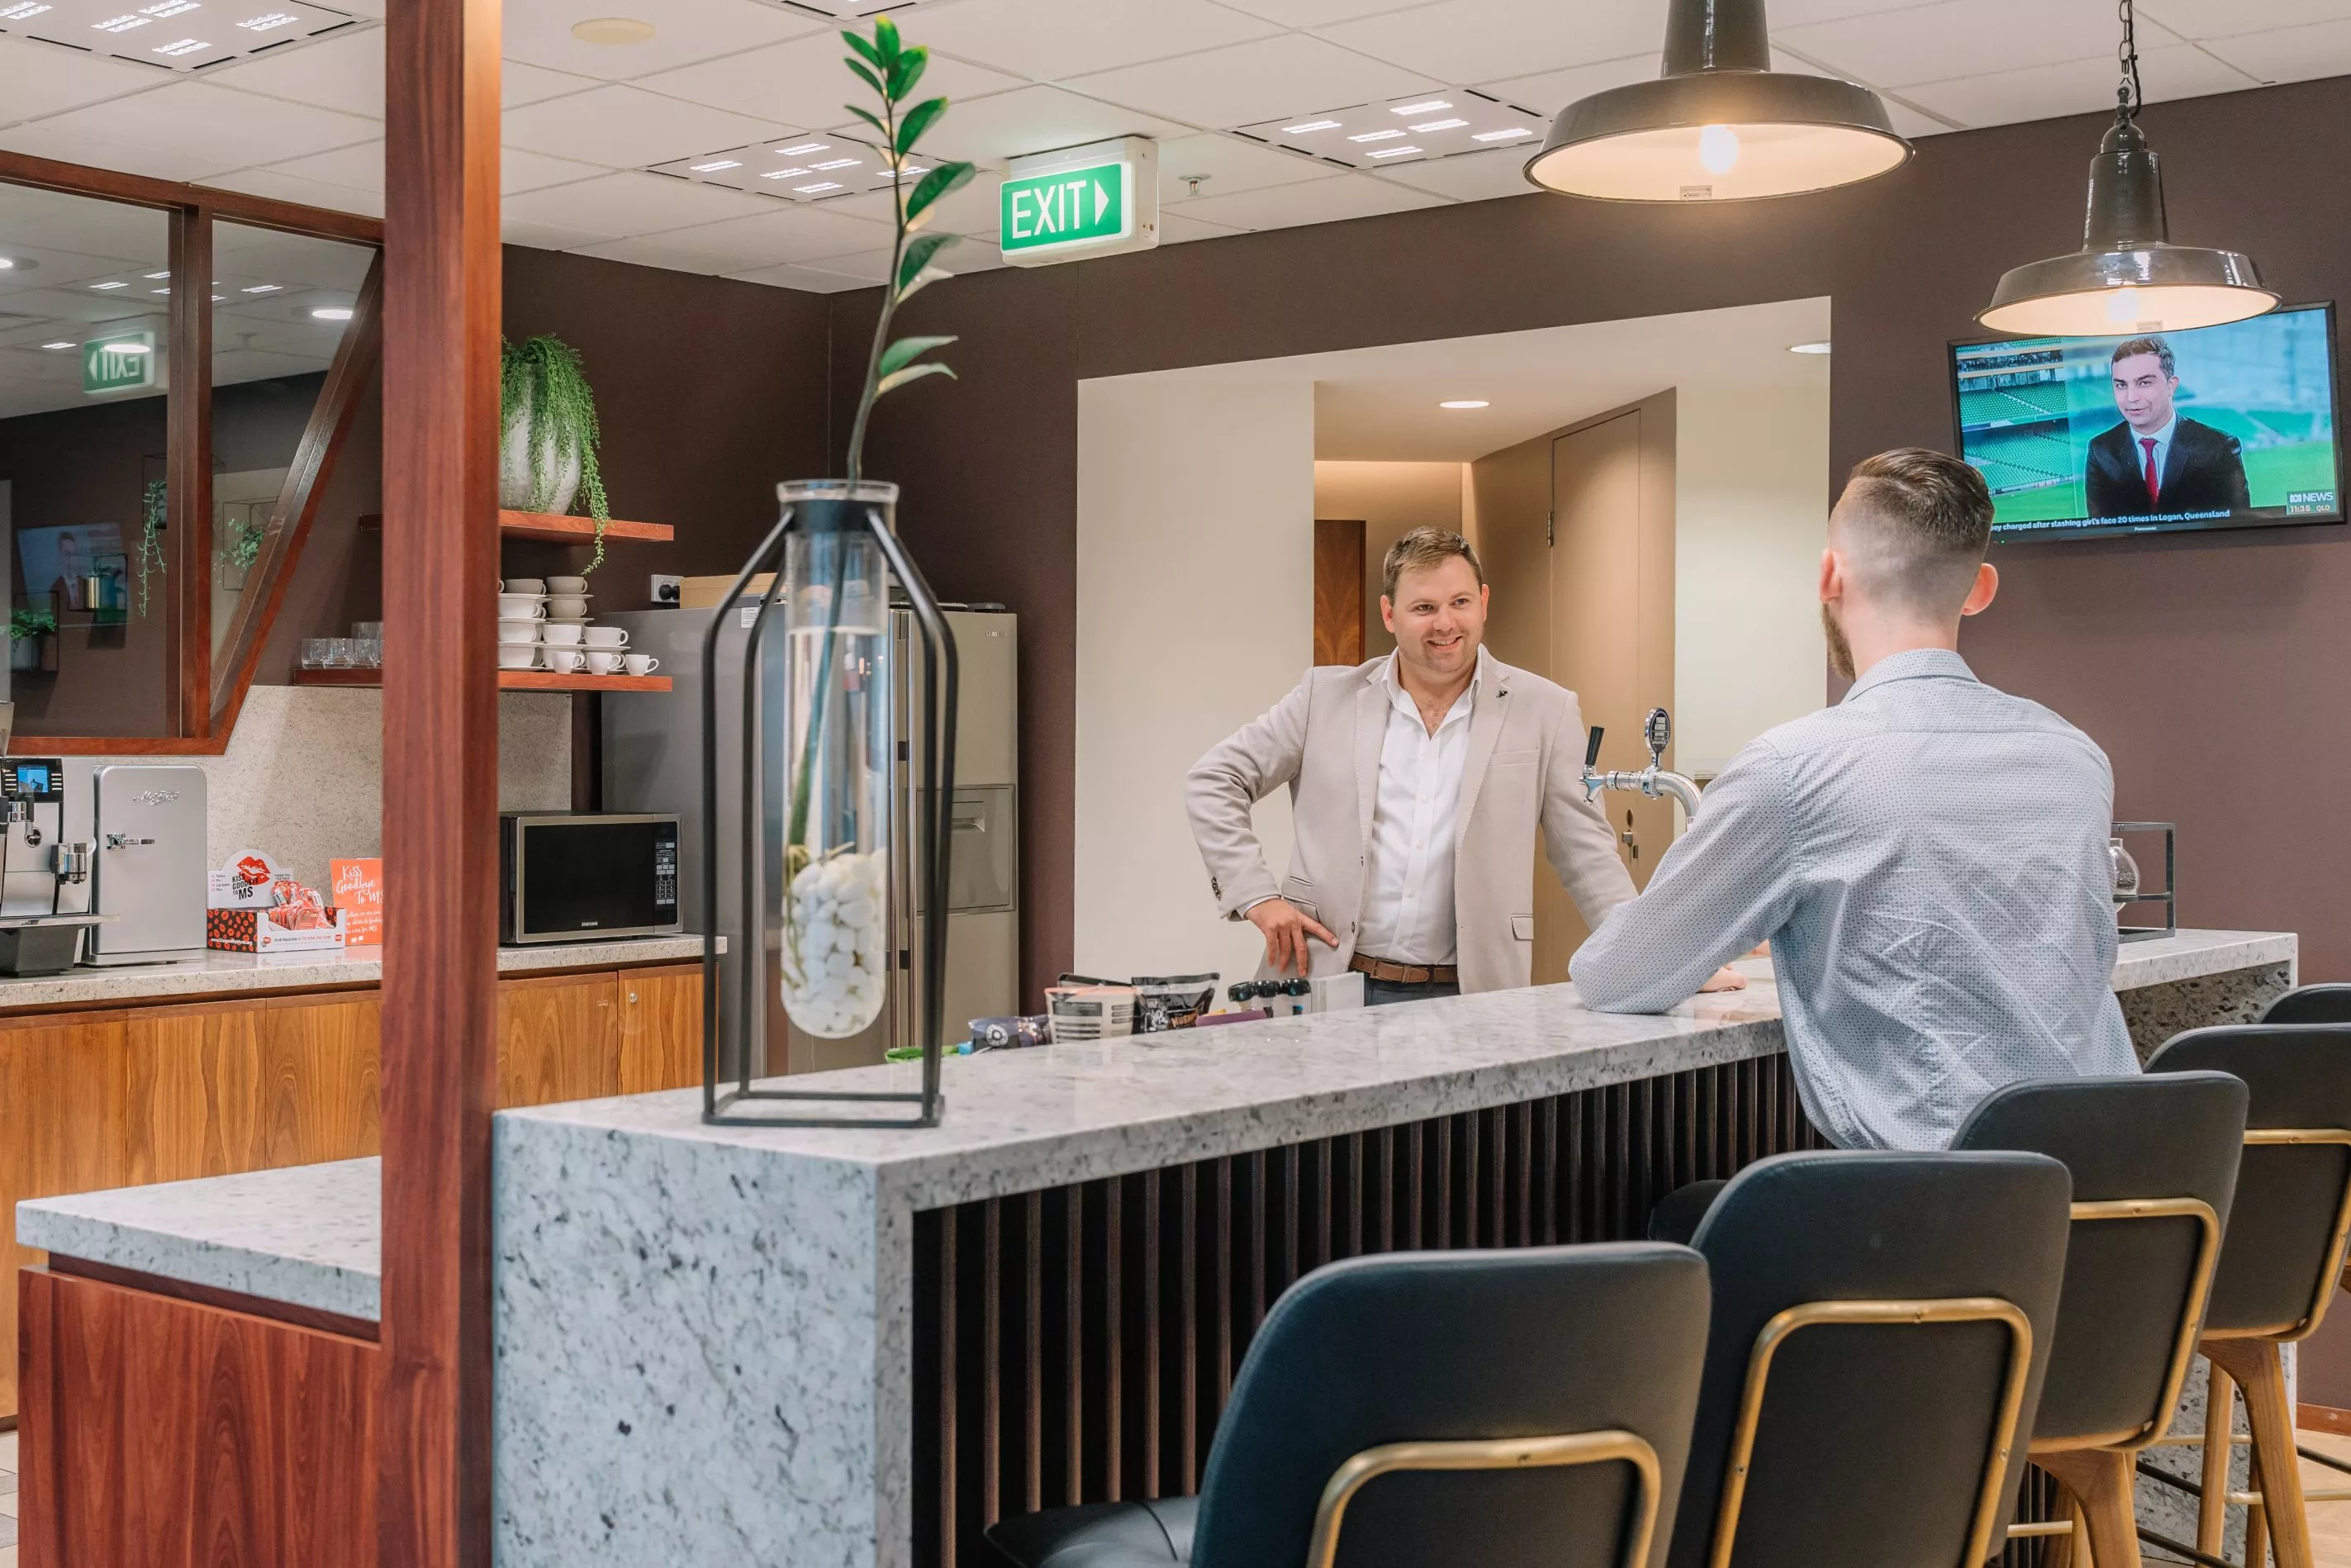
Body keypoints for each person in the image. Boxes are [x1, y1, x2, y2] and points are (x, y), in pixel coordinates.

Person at [1571, 448, 2137, 1151]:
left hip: (1936, 1215)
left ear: (1828, 577)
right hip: (2114, 1191)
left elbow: (1617, 974)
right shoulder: (2075, 756)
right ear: (1980, 588)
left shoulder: (1793, 768)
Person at [1187, 525, 1742, 1006]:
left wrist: (1666, 963)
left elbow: (1589, 857)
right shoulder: (1324, 698)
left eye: (1459, 603)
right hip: (1327, 984)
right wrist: (1257, 897)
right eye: (1423, 607)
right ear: (1390, 613)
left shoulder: (1545, 710)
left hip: (1471, 995)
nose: (1444, 624)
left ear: (1483, 601)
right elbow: (1215, 780)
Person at [2084, 335, 2250, 518]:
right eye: (2121, 385)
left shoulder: (2219, 447)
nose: (2131, 397)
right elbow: (2101, 530)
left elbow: (2238, 526)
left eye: (2144, 383)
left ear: (2171, 386)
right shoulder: (2101, 450)